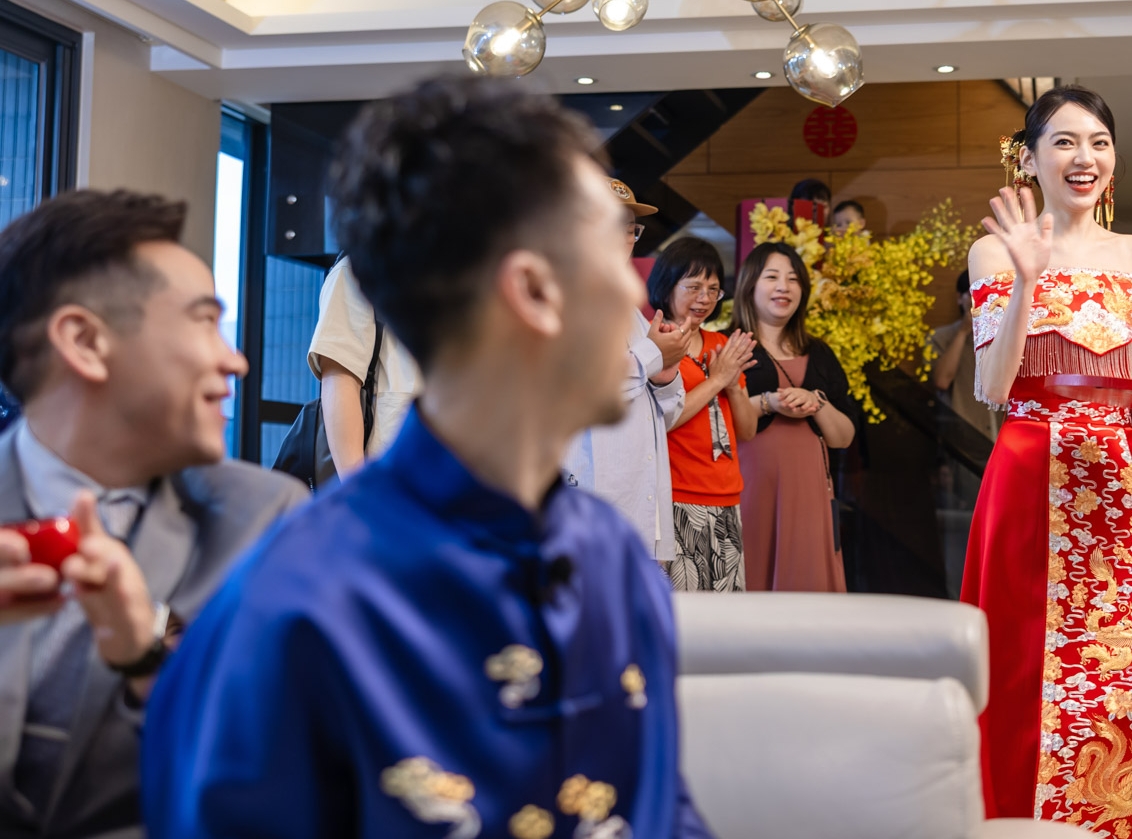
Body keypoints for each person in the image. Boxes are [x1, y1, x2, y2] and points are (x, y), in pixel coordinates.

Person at [141, 79, 714, 838]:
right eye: (608, 246)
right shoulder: (293, 606)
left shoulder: (613, 556)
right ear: (532, 290)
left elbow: (663, 810)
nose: (631, 282)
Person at [0, 189, 304, 838]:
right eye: (204, 321)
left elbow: (284, 767)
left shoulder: (267, 520)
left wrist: (148, 650)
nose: (236, 360)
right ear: (85, 342)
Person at [962, 85, 1132, 835]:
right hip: (1033, 467)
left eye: (1099, 142)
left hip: (1119, 472)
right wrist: (1027, 278)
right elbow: (992, 387)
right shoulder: (994, 250)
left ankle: (1119, 818)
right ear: (1029, 158)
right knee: (1025, 661)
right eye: (1064, 141)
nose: (1085, 157)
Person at [562, 178, 689, 564]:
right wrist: (652, 354)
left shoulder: (630, 308)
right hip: (589, 499)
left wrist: (666, 377)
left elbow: (665, 415)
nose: (623, 237)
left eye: (630, 228)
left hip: (640, 502)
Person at [734, 242, 856, 592]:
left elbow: (843, 437)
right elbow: (715, 422)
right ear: (750, 285)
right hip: (747, 490)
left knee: (806, 587)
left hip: (809, 493)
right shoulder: (730, 347)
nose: (783, 287)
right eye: (772, 277)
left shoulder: (819, 352)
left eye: (793, 279)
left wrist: (817, 403)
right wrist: (769, 402)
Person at [648, 237, 757, 591]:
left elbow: (747, 431)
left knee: (727, 612)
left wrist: (733, 384)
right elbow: (663, 421)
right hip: (677, 496)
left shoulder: (721, 346)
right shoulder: (654, 344)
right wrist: (718, 380)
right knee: (683, 609)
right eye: (693, 287)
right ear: (667, 286)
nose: (705, 298)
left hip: (727, 496)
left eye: (713, 289)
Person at [308, 254, 422, 477]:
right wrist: (356, 488)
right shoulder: (360, 268)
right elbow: (340, 380)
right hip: (396, 473)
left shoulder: (476, 266)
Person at [930, 270, 1000, 440]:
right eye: (972, 294)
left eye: (985, 296)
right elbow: (941, 381)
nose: (978, 302)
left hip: (1003, 435)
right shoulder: (940, 337)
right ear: (959, 298)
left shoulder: (1003, 336)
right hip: (962, 437)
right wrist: (963, 332)